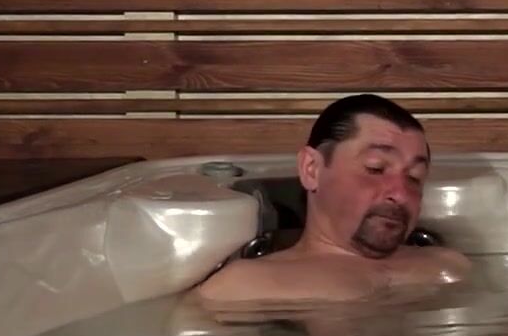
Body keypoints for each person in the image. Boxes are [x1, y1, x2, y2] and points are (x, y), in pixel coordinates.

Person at [188, 93, 471, 311]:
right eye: (375, 169)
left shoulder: (449, 266)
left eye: (414, 177)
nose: (400, 194)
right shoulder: (243, 287)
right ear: (312, 169)